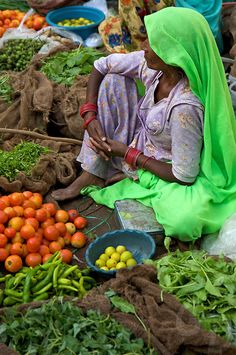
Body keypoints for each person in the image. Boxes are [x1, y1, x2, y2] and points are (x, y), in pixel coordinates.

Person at [52, 7, 236, 241]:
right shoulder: (156, 70)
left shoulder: (184, 108)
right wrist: (89, 115)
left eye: (151, 40)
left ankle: (133, 175)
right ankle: (92, 173)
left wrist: (128, 154)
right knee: (113, 80)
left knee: (183, 220)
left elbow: (183, 177)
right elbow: (102, 66)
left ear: (171, 52)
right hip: (143, 141)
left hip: (166, 165)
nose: (143, 45)